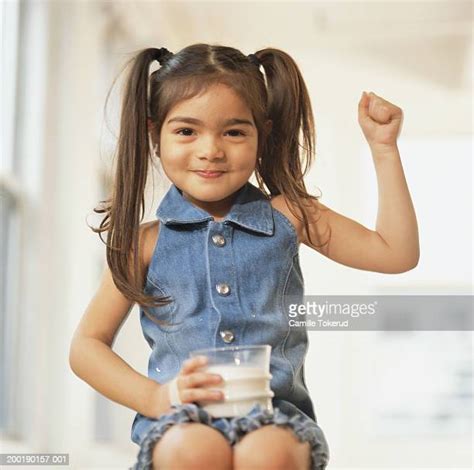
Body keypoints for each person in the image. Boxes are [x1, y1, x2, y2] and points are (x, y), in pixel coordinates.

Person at [69, 43, 419, 470]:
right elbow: (86, 347)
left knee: (266, 452)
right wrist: (155, 398)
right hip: (179, 420)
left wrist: (384, 149)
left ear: (262, 136)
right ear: (154, 136)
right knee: (193, 450)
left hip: (276, 419)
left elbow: (395, 253)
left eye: (233, 132)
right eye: (186, 131)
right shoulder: (145, 242)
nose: (211, 150)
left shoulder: (290, 216)